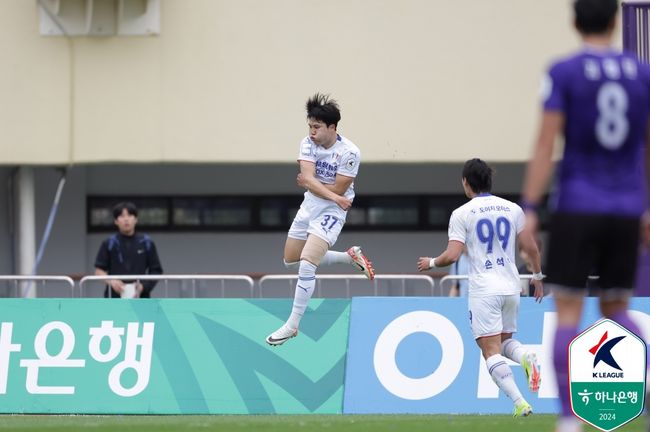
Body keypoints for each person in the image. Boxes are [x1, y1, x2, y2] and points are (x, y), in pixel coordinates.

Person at [520, 1, 650, 430]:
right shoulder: (641, 74)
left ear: (574, 21)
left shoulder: (563, 71)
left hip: (577, 204)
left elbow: (545, 145)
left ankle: (568, 421)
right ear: (615, 21)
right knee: (617, 308)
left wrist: (531, 208)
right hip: (627, 207)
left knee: (570, 312)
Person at [418, 158, 544, 417]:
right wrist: (538, 276)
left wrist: (431, 262)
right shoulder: (513, 209)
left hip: (484, 288)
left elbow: (452, 256)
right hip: (511, 287)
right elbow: (530, 247)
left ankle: (520, 402)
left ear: (466, 182)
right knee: (506, 340)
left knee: (489, 350)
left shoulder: (462, 213)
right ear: (490, 180)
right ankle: (525, 357)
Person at [266, 93, 375, 346]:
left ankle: (292, 325)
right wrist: (327, 192)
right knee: (290, 260)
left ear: (332, 127)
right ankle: (349, 257)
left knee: (306, 264)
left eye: (317, 127)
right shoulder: (306, 143)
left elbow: (335, 188)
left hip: (332, 212)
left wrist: (323, 191)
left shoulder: (350, 152)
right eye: (310, 126)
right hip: (311, 206)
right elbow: (309, 178)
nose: (312, 132)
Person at [94, 201, 163, 298]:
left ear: (136, 219)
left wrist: (143, 286)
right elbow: (98, 271)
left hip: (141, 298)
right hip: (114, 298)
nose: (126, 219)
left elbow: (156, 270)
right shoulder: (109, 243)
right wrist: (112, 282)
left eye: (130, 215)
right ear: (116, 221)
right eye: (122, 216)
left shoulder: (146, 242)